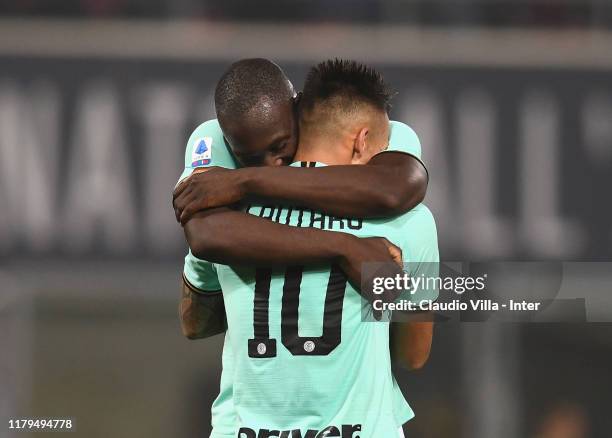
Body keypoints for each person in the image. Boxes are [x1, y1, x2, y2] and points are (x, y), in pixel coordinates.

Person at [180, 59, 439, 437]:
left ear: (297, 108)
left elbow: (193, 321)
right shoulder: (406, 224)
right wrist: (346, 250)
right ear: (363, 140)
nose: (274, 165)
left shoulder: (227, 211)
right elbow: (413, 356)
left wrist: (244, 183)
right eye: (255, 159)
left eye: (279, 148)